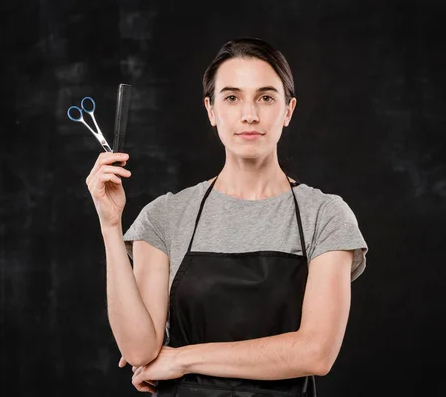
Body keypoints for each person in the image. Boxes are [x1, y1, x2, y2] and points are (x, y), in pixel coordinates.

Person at [86, 38, 368, 396]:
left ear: (288, 110)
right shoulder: (166, 216)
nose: (249, 114)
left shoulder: (325, 216)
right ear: (211, 110)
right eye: (232, 98)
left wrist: (183, 359)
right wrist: (111, 225)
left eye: (266, 97)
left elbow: (316, 353)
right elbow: (139, 349)